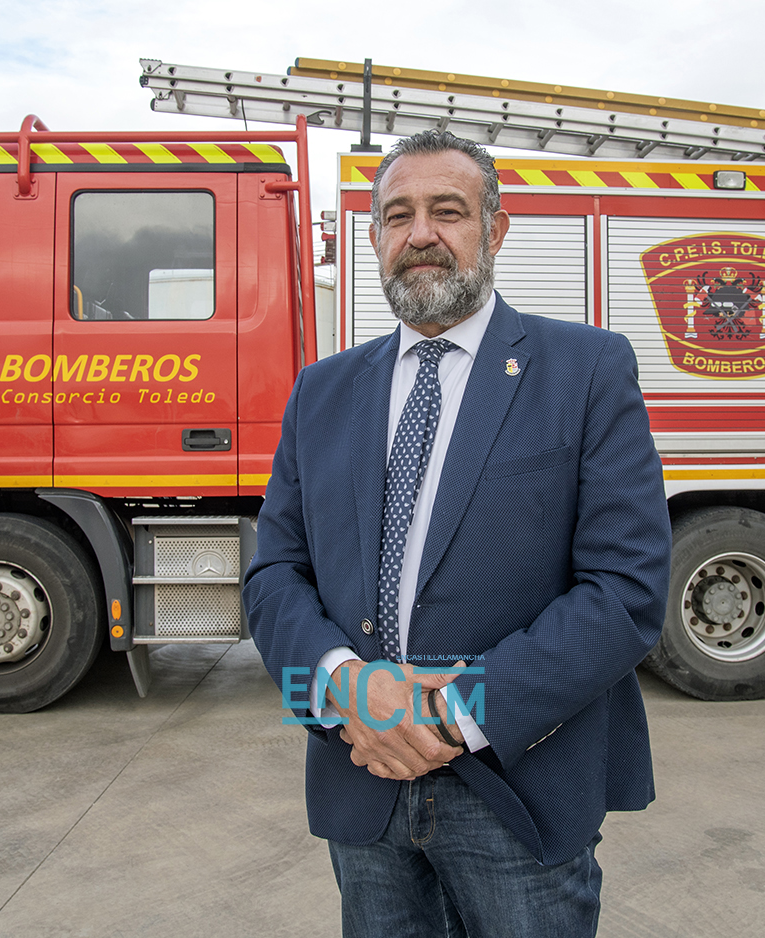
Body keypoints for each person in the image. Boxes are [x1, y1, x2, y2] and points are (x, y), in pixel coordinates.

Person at [244, 128, 671, 938]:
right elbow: (274, 576)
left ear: (494, 229)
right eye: (397, 215)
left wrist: (449, 717)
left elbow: (625, 591)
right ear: (374, 238)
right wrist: (345, 688)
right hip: (361, 775)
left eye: (448, 210)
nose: (421, 234)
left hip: (516, 787)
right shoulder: (321, 392)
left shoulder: (583, 370)